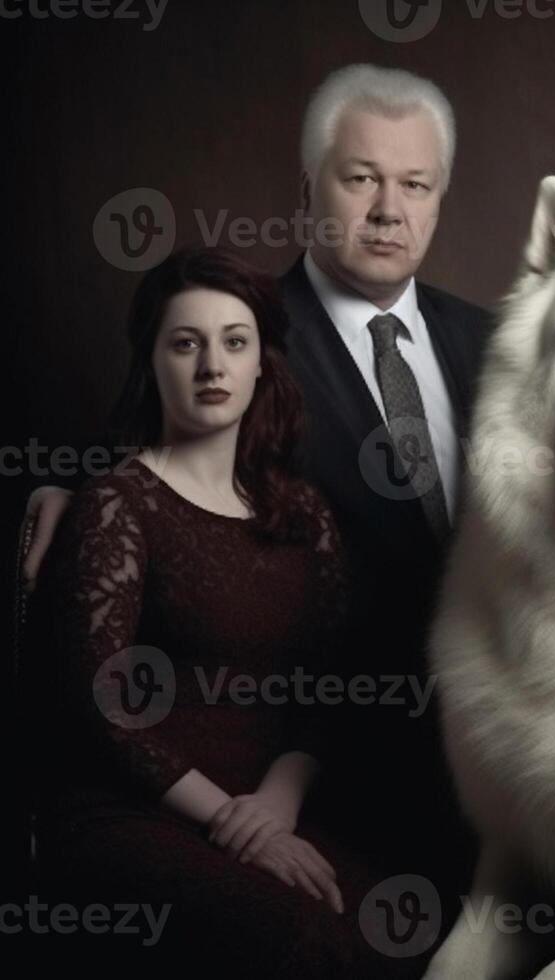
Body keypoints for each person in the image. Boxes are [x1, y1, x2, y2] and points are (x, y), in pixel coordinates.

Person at [22, 64, 492, 898]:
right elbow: (145, 460)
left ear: (440, 192)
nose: (390, 209)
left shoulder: (499, 344)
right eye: (361, 179)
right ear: (310, 186)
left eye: (415, 184)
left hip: (500, 754)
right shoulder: (242, 335)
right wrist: (59, 484)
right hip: (340, 769)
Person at [36, 246, 421, 977]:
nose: (212, 365)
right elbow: (101, 706)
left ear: (259, 364)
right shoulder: (117, 502)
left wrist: (276, 805)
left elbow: (328, 691)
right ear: (152, 361)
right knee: (299, 942)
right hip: (137, 813)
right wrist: (232, 824)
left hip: (266, 806)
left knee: (396, 928)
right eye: (186, 344)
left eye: (233, 342)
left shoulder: (304, 512)